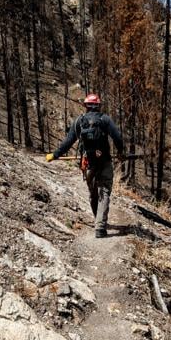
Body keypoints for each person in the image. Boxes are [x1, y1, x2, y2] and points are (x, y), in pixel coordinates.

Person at [47, 94, 124, 238]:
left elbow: (68, 141)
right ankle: (100, 227)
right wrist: (120, 152)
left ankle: (98, 221)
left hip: (87, 163)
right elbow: (117, 137)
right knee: (104, 191)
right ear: (99, 105)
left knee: (93, 194)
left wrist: (55, 155)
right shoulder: (105, 119)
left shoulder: (79, 121)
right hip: (105, 161)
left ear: (85, 106)